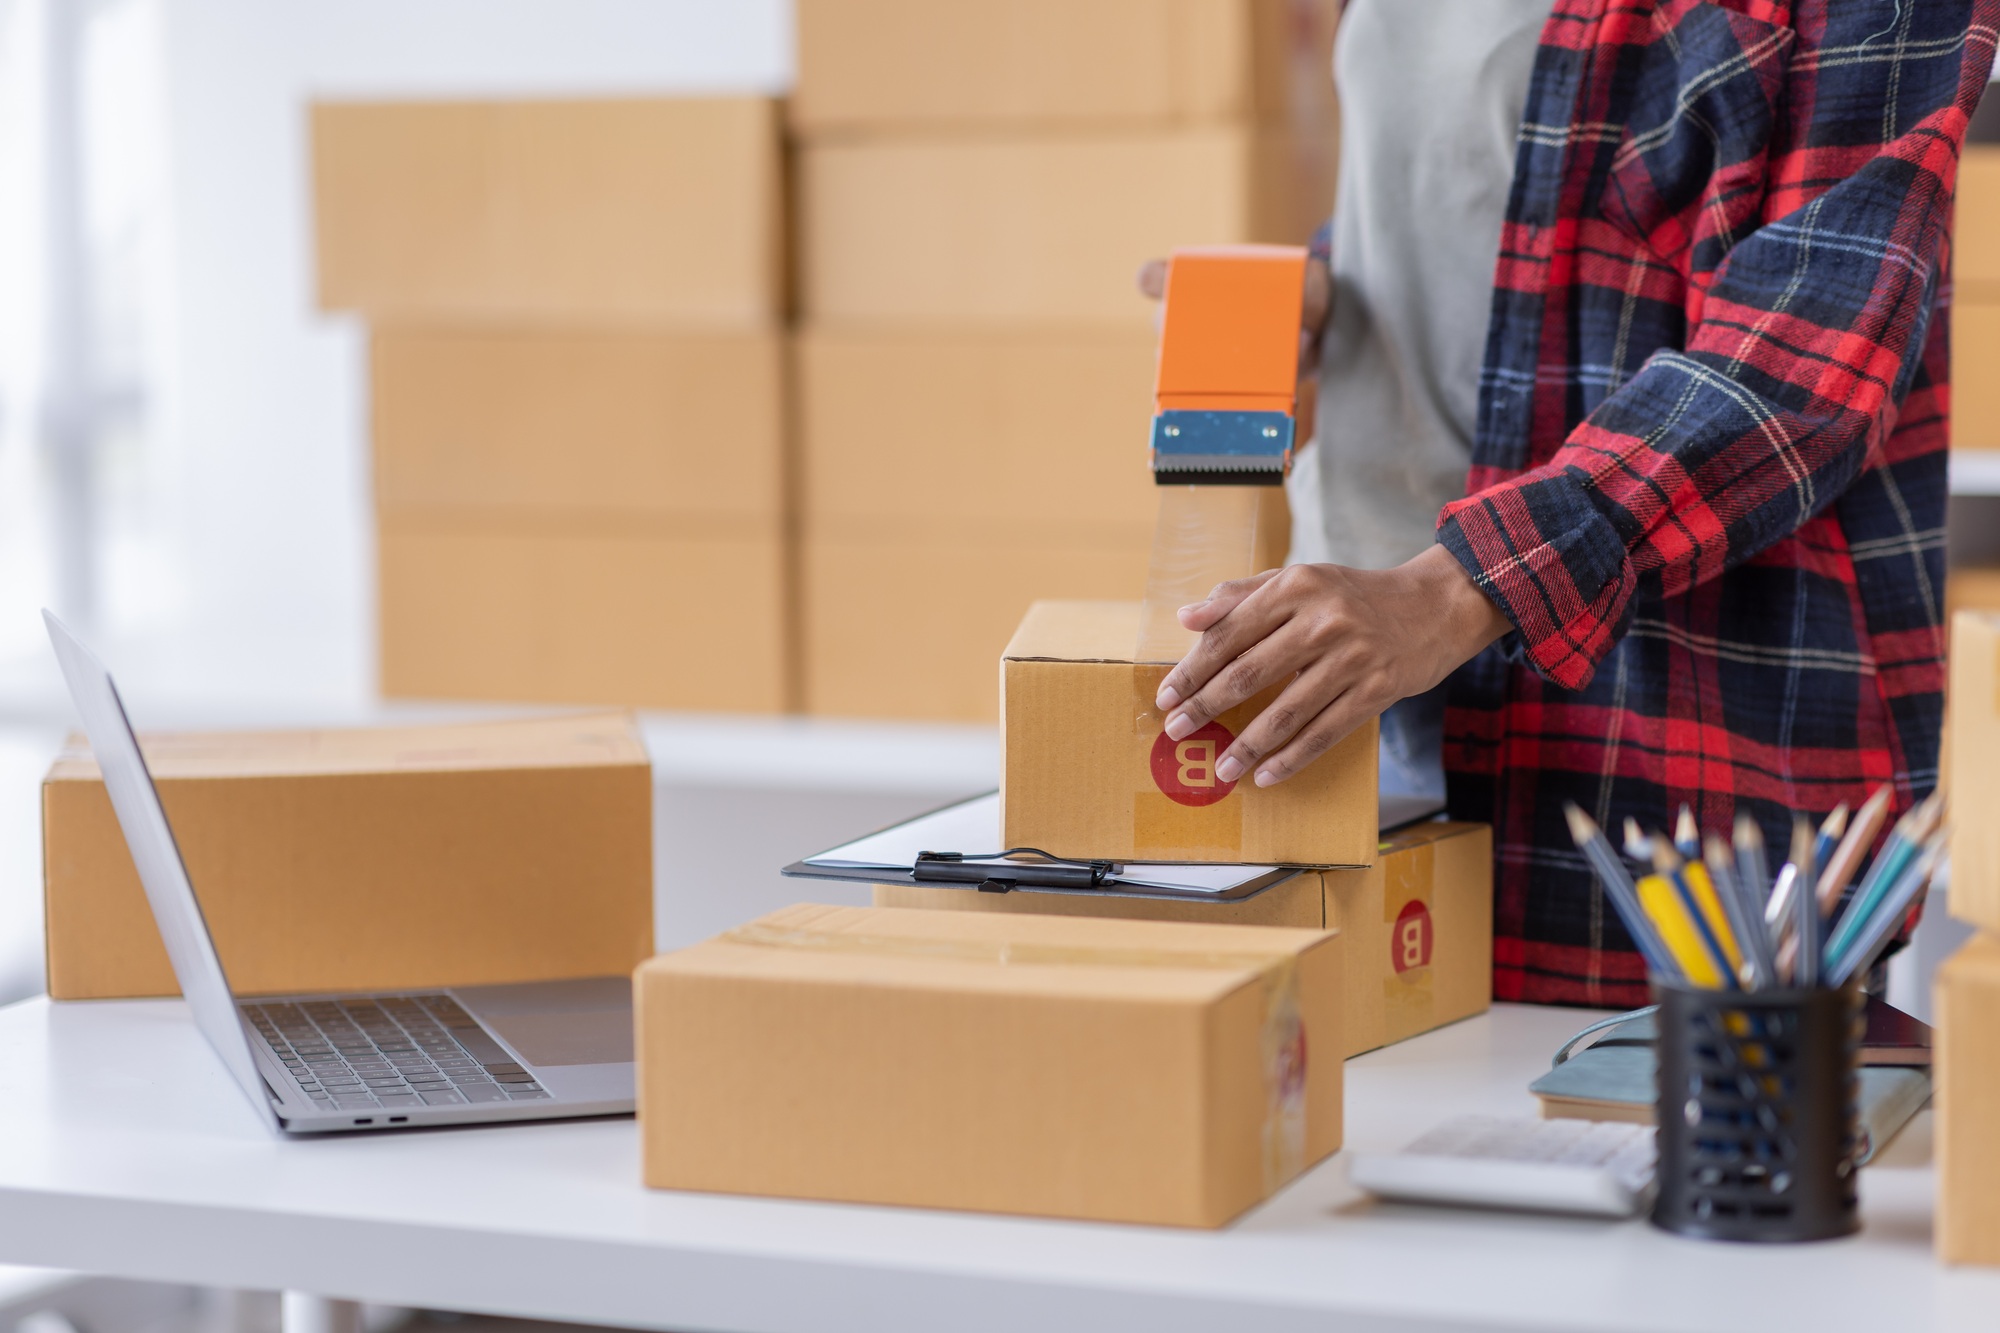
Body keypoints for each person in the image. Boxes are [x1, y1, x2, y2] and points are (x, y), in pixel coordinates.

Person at [1143, 0, 1996, 1006]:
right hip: (1366, 670)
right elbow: (1462, 167)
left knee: (1682, 1130)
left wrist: (1455, 589)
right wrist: (1345, 281)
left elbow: (1808, 343)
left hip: (1650, 719)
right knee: (1380, 1120)